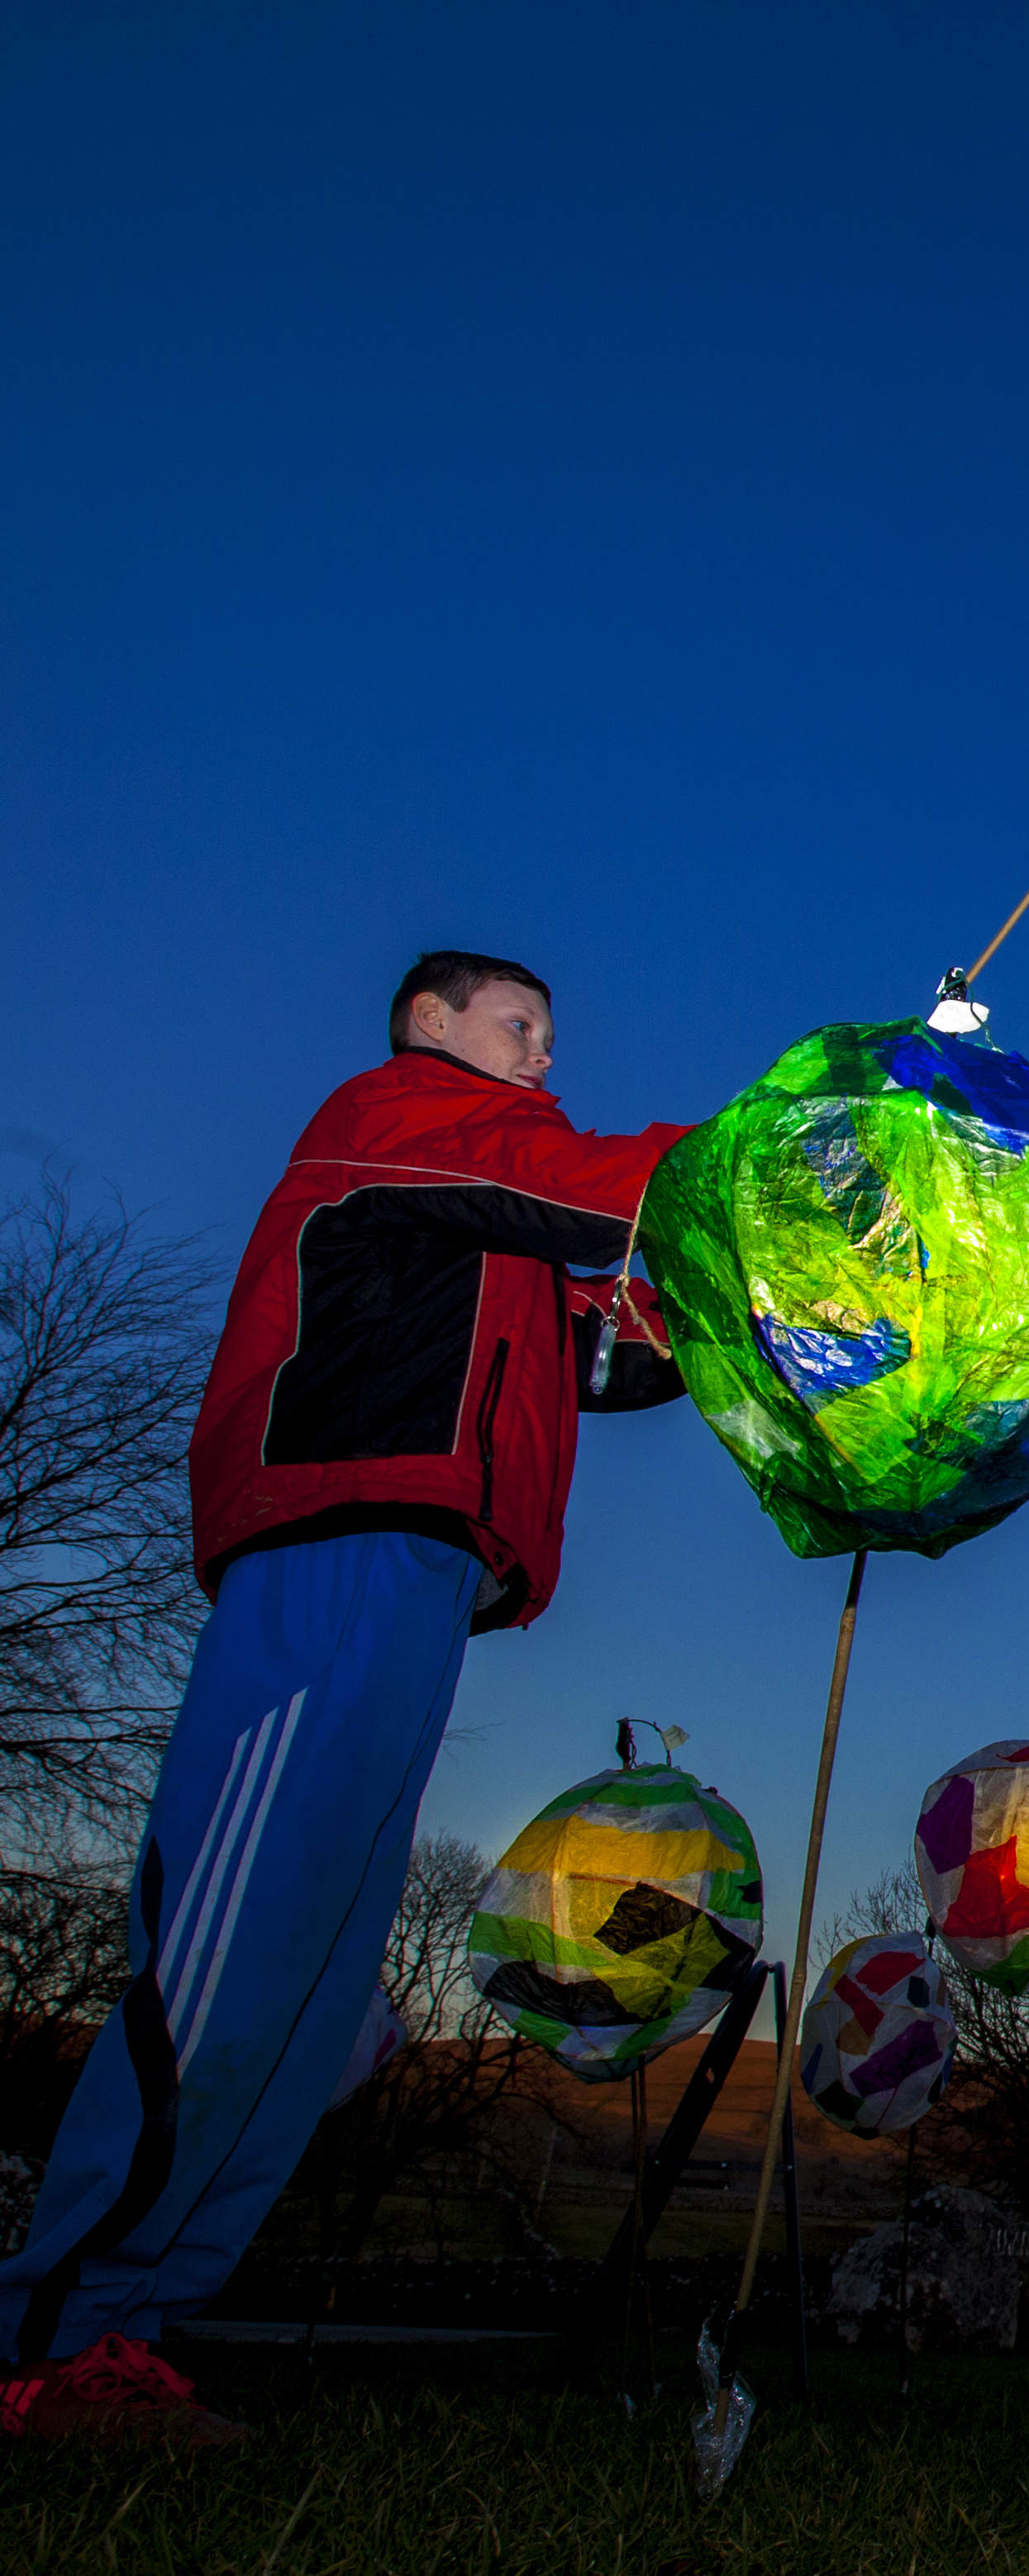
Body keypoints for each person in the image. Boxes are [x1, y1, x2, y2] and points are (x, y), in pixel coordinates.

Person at [0, 954, 692, 2448]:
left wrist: (723, 1317)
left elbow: (604, 1336)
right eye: (523, 1026)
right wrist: (765, 1160)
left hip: (430, 1570)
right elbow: (582, 1183)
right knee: (228, 1945)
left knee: (316, 1983)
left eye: (553, 1037)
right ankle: (49, 2329)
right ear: (433, 1022)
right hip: (336, 1540)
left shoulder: (485, 1210)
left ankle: (137, 2330)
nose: (543, 1055)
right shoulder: (398, 1111)